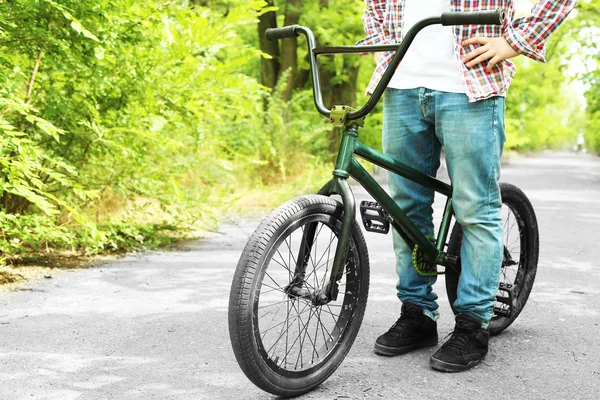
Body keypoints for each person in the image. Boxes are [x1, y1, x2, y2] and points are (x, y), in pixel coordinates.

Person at [357, 0, 576, 372]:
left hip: (469, 83)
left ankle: (472, 325)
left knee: (474, 207)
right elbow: (375, 6)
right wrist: (385, 50)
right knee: (406, 207)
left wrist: (516, 41)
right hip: (402, 86)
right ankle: (417, 313)